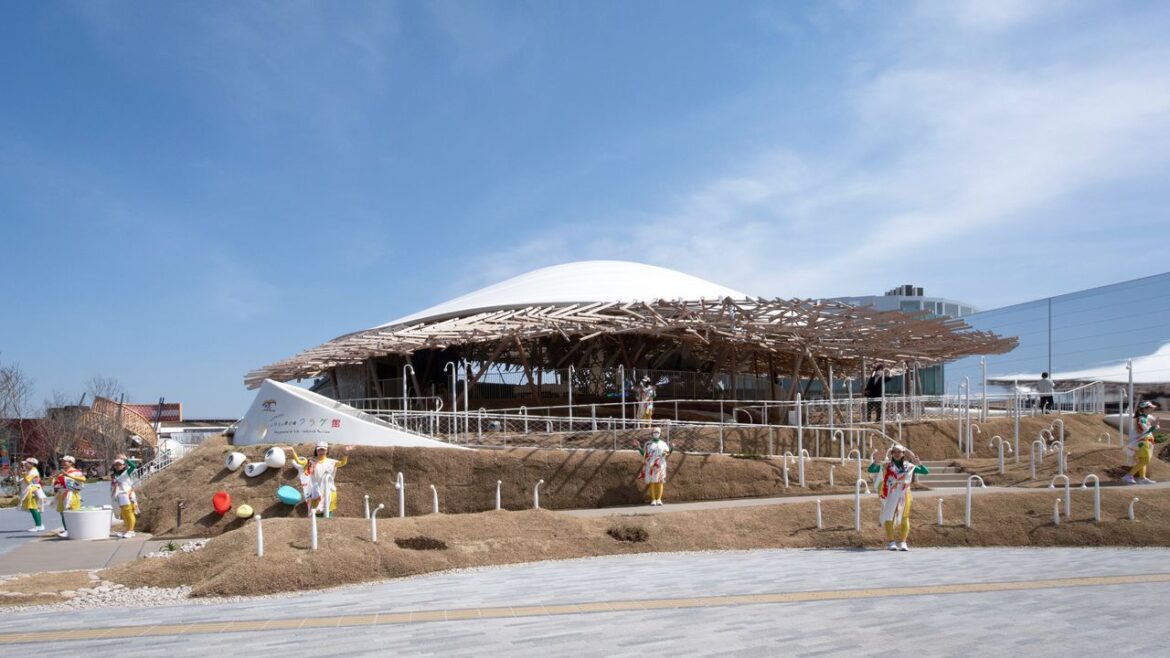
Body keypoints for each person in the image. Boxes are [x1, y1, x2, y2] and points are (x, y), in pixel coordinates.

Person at [867, 444, 928, 551]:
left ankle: (903, 542)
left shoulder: (909, 466)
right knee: (888, 516)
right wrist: (876, 462)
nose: (897, 454)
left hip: (904, 494)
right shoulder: (886, 466)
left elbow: (925, 471)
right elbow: (871, 470)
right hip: (890, 494)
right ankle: (891, 542)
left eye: (899, 452)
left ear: (903, 453)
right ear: (891, 453)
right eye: (894, 452)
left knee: (904, 517)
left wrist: (919, 464)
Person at [288, 442, 351, 515]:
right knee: (315, 511)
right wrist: (292, 451)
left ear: (327, 451)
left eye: (323, 450)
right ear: (316, 450)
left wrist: (346, 453)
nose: (321, 452)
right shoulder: (311, 462)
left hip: (327, 490)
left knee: (327, 510)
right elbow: (299, 462)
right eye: (319, 450)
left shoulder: (331, 462)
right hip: (316, 491)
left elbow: (343, 463)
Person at [1123, 401, 1159, 485]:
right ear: (1145, 409)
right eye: (1150, 408)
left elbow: (1147, 430)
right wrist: (1153, 427)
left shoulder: (1146, 418)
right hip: (1142, 442)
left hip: (1146, 441)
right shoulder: (1141, 419)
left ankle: (1142, 478)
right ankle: (1129, 475)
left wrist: (1154, 426)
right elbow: (1142, 431)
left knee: (1143, 460)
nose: (1152, 409)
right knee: (1145, 460)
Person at [634, 427, 672, 506]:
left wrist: (672, 448)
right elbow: (645, 454)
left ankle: (659, 499)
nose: (656, 434)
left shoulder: (663, 444)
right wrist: (639, 447)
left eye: (658, 432)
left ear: (660, 434)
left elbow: (667, 453)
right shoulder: (648, 444)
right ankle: (653, 499)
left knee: (660, 481)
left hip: (660, 464)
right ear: (652, 433)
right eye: (654, 432)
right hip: (651, 464)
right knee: (652, 482)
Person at [53, 455, 86, 538]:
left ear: (71, 463)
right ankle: (67, 530)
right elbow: (57, 481)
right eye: (63, 461)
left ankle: (74, 530)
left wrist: (68, 475)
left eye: (66, 461)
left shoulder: (76, 471)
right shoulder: (61, 472)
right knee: (63, 513)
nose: (63, 463)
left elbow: (83, 479)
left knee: (72, 512)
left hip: (72, 494)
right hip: (62, 493)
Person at [109, 454, 141, 538]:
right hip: (119, 496)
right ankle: (127, 530)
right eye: (116, 465)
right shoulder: (114, 475)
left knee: (129, 513)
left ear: (123, 465)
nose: (118, 466)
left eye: (120, 465)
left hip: (127, 495)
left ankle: (131, 530)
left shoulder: (126, 472)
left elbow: (133, 466)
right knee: (123, 514)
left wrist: (126, 459)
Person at [18, 458, 45, 532]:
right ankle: (39, 524)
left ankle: (38, 525)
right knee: (34, 508)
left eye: (27, 463)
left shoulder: (33, 471)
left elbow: (27, 481)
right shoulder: (30, 470)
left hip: (32, 490)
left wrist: (24, 473)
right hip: (32, 489)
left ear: (32, 464)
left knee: (33, 508)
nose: (25, 465)